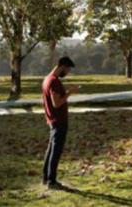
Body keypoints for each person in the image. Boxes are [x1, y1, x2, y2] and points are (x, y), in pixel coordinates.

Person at [42, 56, 79, 189]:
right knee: (55, 151)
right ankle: (52, 181)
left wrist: (66, 91)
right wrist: (70, 92)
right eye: (68, 69)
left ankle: (46, 178)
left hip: (52, 119)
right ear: (62, 66)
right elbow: (57, 103)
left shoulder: (47, 79)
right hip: (59, 121)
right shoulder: (54, 82)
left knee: (51, 149)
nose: (68, 72)